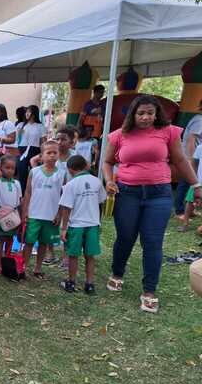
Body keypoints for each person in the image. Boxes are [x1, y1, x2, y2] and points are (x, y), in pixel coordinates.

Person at [103, 94, 202, 313]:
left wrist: (196, 185)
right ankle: (117, 273)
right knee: (126, 237)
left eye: (150, 113)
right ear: (133, 114)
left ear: (157, 114)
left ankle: (149, 291)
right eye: (141, 113)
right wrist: (110, 180)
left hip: (159, 194)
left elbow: (180, 160)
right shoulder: (120, 135)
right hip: (127, 193)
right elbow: (108, 162)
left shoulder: (168, 132)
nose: (146, 117)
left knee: (152, 241)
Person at [59, 155, 107, 294]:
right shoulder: (97, 181)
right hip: (92, 224)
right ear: (85, 166)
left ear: (70, 170)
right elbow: (101, 202)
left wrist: (63, 228)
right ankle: (90, 284)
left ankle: (71, 282)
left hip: (76, 225)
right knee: (90, 256)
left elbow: (66, 208)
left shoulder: (70, 185)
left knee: (73, 255)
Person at [22, 140, 63, 278]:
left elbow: (64, 196)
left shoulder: (62, 174)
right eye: (48, 152)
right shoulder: (34, 172)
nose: (52, 155)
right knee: (29, 242)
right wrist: (25, 210)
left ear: (58, 154)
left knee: (44, 243)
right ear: (41, 156)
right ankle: (23, 267)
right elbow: (27, 192)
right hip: (34, 214)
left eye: (54, 152)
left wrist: (59, 214)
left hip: (51, 216)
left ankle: (38, 268)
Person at [0, 155, 22, 273]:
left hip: (14, 215)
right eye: (7, 167)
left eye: (12, 168)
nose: (10, 170)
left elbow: (19, 200)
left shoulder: (17, 183)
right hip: (2, 215)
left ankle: (7, 260)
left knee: (10, 239)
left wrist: (20, 214)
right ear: (1, 167)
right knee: (1, 239)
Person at [175, 100, 202, 218]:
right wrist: (191, 159)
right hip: (190, 157)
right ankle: (180, 211)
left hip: (192, 156)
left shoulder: (198, 118)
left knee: (190, 184)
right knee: (185, 184)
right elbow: (191, 139)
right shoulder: (200, 121)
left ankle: (189, 210)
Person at [18, 105, 47, 192]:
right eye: (26, 111)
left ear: (34, 113)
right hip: (22, 150)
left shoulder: (40, 126)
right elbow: (18, 139)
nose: (27, 113)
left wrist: (43, 154)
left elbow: (43, 141)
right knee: (22, 171)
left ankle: (35, 191)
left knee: (34, 172)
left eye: (29, 111)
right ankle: (22, 193)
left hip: (34, 150)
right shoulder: (22, 125)